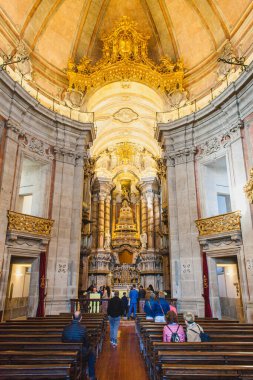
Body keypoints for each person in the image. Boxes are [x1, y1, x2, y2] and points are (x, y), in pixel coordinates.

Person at [62, 311, 97, 380]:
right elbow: (87, 343)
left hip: (67, 353)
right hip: (79, 354)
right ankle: (92, 376)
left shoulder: (66, 328)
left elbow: (62, 340)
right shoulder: (83, 328)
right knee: (92, 352)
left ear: (72, 317)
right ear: (81, 318)